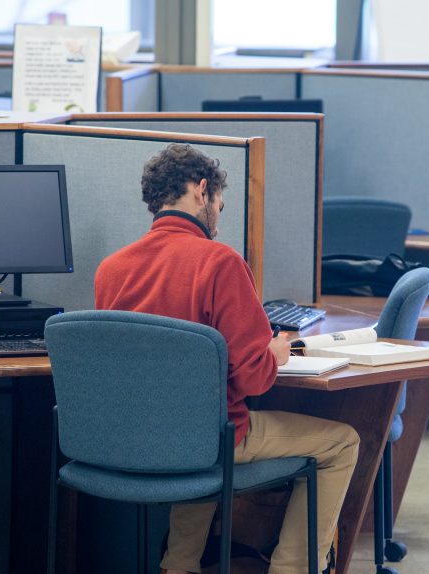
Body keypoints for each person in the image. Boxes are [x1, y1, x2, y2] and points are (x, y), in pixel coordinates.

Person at [94, 143, 360, 574]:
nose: (218, 213)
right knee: (342, 441)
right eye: (219, 201)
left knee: (195, 426)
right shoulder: (220, 262)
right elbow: (253, 379)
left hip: (134, 438)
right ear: (202, 191)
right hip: (207, 441)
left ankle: (178, 565)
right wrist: (275, 350)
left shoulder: (112, 268)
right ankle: (291, 569)